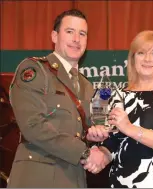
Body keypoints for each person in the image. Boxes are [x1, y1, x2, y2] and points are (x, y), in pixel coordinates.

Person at [7, 9, 105, 188]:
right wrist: (84, 153)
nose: (76, 39)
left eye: (82, 34)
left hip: (74, 179)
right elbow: (33, 125)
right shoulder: (35, 71)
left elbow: (86, 132)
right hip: (37, 179)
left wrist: (97, 139)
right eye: (69, 32)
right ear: (54, 36)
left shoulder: (87, 86)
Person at [82, 30, 153, 188]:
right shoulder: (119, 95)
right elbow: (114, 144)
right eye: (141, 53)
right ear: (132, 59)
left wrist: (128, 127)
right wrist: (101, 154)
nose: (147, 59)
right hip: (119, 182)